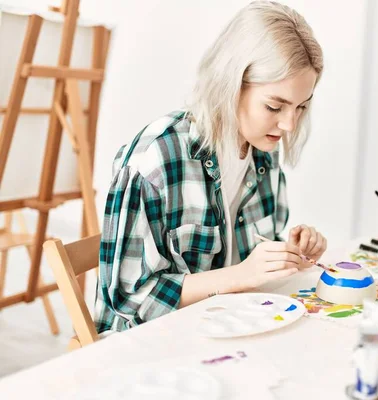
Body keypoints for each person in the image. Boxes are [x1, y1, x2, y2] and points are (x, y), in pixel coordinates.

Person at [95, 1, 326, 333]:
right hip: (150, 345)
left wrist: (288, 253)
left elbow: (251, 255)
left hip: (226, 324)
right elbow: (132, 298)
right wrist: (242, 274)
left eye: (302, 107)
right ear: (230, 83)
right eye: (275, 106)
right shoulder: (157, 157)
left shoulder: (264, 151)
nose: (289, 124)